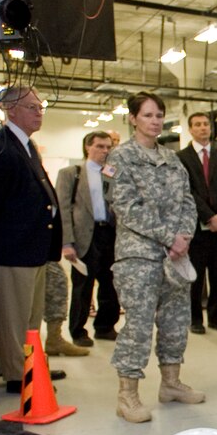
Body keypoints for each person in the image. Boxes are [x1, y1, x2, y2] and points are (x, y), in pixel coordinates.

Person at [107, 91, 205, 423]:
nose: (155, 121)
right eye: (148, 115)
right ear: (133, 118)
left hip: (175, 256)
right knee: (137, 325)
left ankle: (171, 384)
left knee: (176, 322)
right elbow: (127, 208)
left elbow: (188, 201)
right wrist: (169, 237)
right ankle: (128, 395)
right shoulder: (121, 158)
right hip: (139, 258)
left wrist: (185, 236)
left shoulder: (173, 159)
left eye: (160, 115)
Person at [0, 86, 68, 393]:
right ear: (9, 109)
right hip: (14, 248)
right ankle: (17, 375)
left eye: (40, 107)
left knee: (31, 318)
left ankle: (34, 367)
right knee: (15, 320)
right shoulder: (0, 146)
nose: (38, 112)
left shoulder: (24, 144)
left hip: (34, 247)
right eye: (32, 107)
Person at [55, 130, 120, 348]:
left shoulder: (111, 172)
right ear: (87, 147)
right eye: (100, 146)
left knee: (111, 284)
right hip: (85, 236)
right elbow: (62, 209)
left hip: (109, 234)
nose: (105, 151)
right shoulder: (70, 173)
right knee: (83, 286)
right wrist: (66, 242)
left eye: (108, 147)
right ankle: (78, 331)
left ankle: (105, 327)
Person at [177, 112, 217, 334]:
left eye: (205, 124)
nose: (203, 128)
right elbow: (187, 191)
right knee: (196, 276)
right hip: (196, 228)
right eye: (197, 125)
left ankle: (216, 318)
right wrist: (209, 217)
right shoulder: (182, 157)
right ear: (190, 129)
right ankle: (195, 320)